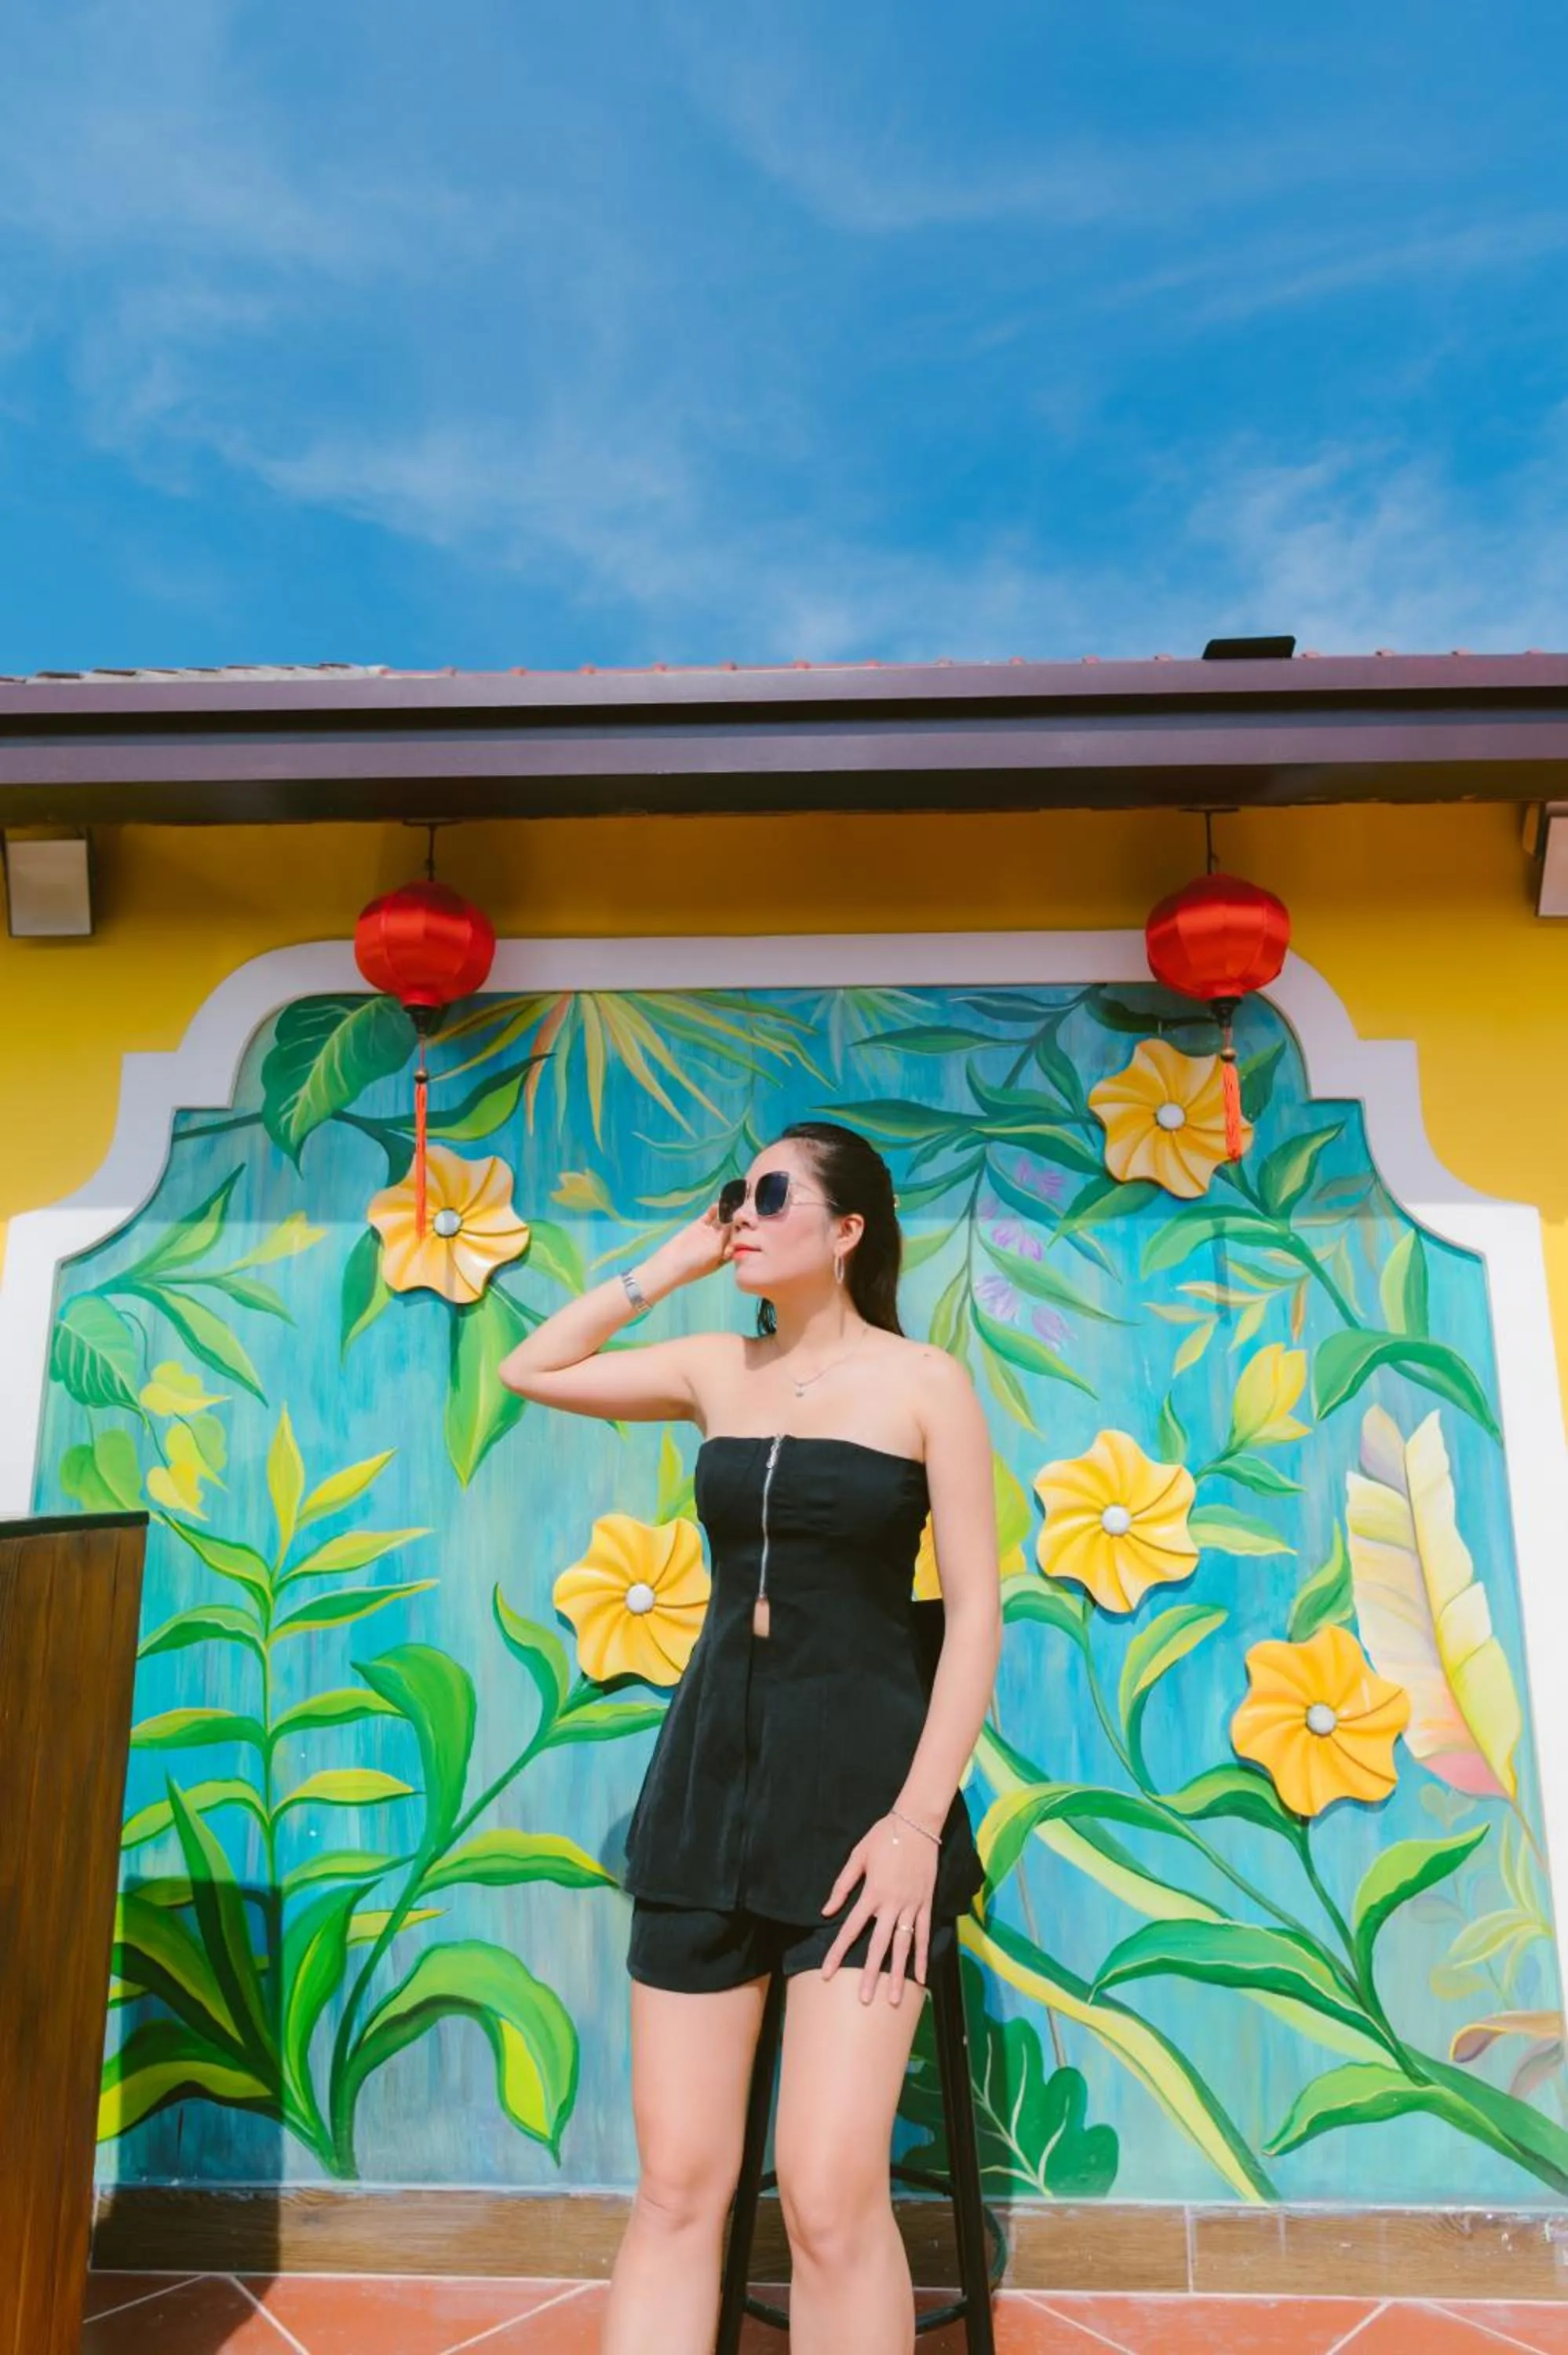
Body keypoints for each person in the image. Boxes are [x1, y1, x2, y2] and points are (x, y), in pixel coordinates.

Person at [498, 1119, 1003, 2355]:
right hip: (705, 1796)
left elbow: (980, 1615)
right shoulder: (717, 1367)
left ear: (846, 1231)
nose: (745, 1211)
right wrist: (674, 1257)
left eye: (770, 1195)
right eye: (737, 1194)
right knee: (677, 2187)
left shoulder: (924, 1382)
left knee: (830, 2198)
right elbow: (534, 1365)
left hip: (864, 1810)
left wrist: (913, 1829)